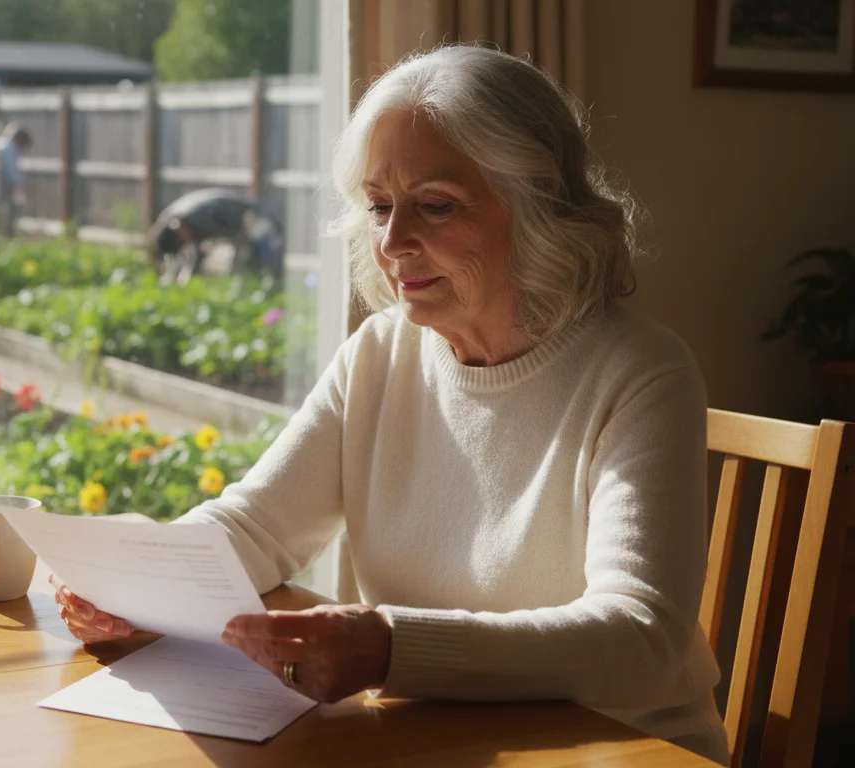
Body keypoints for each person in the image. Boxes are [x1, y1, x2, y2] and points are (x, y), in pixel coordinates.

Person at [51, 44, 729, 765]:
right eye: (379, 207)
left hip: (619, 748)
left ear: (539, 209)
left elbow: (639, 636)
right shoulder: (381, 353)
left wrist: (392, 647)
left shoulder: (642, 373)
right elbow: (256, 524)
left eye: (435, 206)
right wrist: (141, 586)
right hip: (437, 741)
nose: (392, 242)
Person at [147, 187, 285, 285]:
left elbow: (235, 235)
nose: (186, 244)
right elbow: (190, 253)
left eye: (183, 242)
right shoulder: (172, 219)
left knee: (256, 259)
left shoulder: (199, 218)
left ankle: (272, 284)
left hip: (250, 216)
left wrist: (184, 280)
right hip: (236, 219)